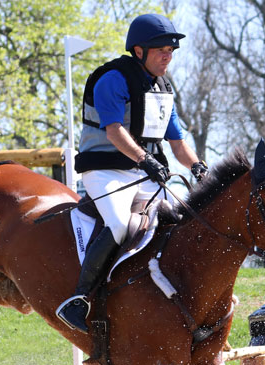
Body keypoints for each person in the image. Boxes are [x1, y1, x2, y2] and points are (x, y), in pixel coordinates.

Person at [56, 13, 207, 333]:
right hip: (106, 169)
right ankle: (79, 299)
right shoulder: (113, 79)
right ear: (138, 51)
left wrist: (197, 166)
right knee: (122, 224)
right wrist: (146, 160)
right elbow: (114, 132)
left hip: (144, 171)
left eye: (171, 50)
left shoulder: (164, 89)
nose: (168, 56)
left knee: (181, 220)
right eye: (161, 50)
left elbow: (178, 145)